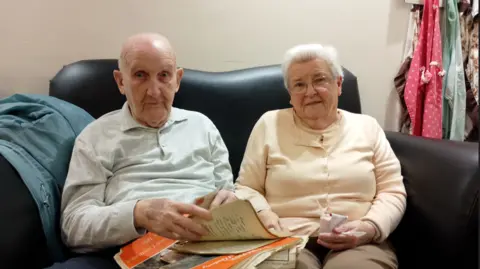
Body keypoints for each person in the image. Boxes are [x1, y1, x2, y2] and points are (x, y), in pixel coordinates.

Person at [47, 33, 236, 269]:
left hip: (207, 252)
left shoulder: (203, 126)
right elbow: (74, 227)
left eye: (164, 76)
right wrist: (138, 213)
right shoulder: (95, 136)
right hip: (128, 253)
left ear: (177, 80)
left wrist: (230, 202)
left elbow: (227, 192)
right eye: (140, 76)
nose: (154, 92)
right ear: (120, 82)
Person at [234, 44, 407, 269]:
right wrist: (265, 217)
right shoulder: (269, 124)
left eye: (319, 80)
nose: (310, 92)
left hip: (358, 241)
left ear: (338, 84)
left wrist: (370, 227)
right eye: (299, 85)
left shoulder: (367, 127)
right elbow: (246, 188)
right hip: (287, 240)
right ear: (290, 95)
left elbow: (392, 190)